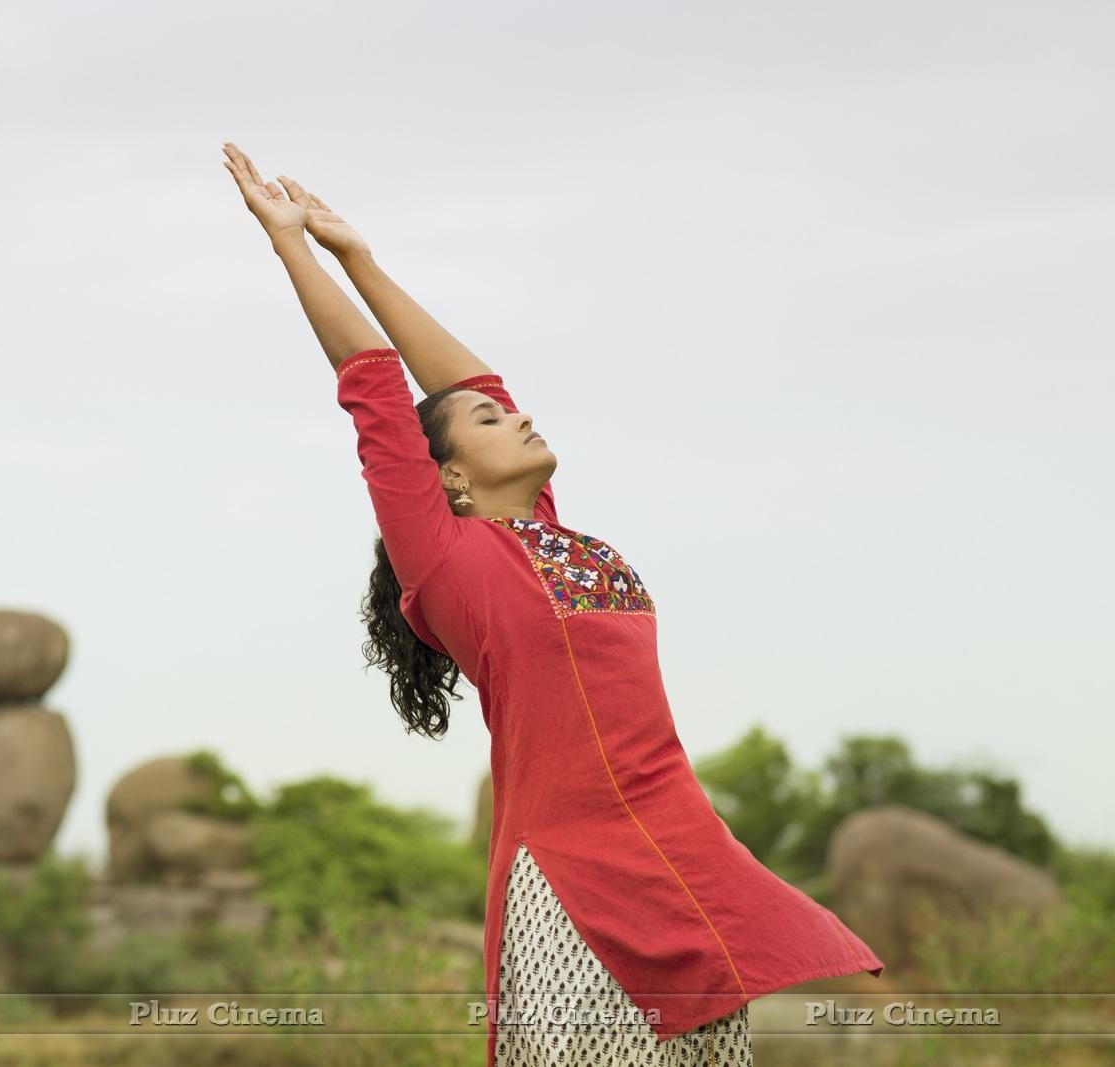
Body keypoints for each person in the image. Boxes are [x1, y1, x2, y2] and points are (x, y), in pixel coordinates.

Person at [221, 142, 885, 1067]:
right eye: (489, 424)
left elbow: (474, 384)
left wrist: (363, 257)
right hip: (575, 884)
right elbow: (373, 382)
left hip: (680, 864)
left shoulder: (556, 537)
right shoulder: (452, 565)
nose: (514, 412)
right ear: (447, 479)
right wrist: (293, 243)